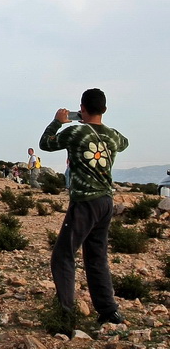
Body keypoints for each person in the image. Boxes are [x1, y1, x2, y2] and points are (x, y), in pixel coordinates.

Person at [40, 88, 130, 326]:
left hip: (85, 202)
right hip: (106, 202)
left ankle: (66, 315)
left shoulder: (76, 132)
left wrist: (57, 122)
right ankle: (109, 311)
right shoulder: (112, 137)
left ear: (81, 108)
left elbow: (45, 144)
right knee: (97, 256)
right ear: (105, 109)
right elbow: (125, 142)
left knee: (63, 255)